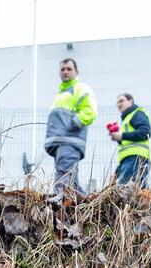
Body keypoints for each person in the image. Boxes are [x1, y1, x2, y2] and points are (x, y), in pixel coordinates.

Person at [45, 58, 98, 195]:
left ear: (76, 71)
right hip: (61, 142)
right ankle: (83, 205)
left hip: (69, 141)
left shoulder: (80, 89)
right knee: (71, 181)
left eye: (69, 69)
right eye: (62, 69)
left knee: (63, 179)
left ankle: (60, 206)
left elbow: (90, 111)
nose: (65, 72)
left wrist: (74, 124)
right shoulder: (60, 95)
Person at [110, 93, 151, 188]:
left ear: (131, 101)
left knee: (131, 189)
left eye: (121, 101)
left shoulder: (136, 113)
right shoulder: (128, 118)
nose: (119, 104)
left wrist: (122, 135)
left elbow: (145, 132)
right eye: (117, 103)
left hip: (136, 157)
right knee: (129, 189)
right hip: (129, 159)